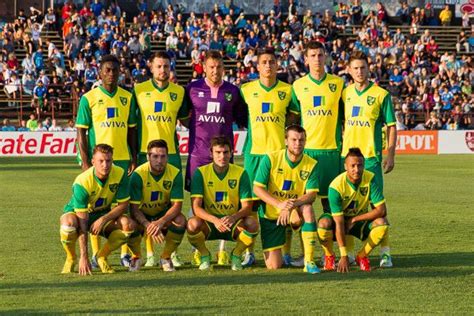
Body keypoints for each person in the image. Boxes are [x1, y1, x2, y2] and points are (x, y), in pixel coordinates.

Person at [183, 50, 247, 266]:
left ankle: (223, 250)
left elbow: (241, 118)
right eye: (211, 67)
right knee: (197, 203)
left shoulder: (233, 91)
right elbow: (184, 118)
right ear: (204, 67)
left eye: (219, 67)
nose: (215, 71)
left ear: (223, 68)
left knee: (227, 200)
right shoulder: (192, 89)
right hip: (198, 156)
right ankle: (198, 249)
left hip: (223, 156)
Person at [75, 54, 138, 267]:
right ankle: (94, 256)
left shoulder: (127, 97)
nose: (111, 74)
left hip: (121, 159)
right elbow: (81, 132)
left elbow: (132, 131)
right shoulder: (89, 98)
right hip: (97, 162)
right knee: (95, 208)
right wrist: (86, 162)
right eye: (107, 70)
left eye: (115, 70)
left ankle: (123, 254)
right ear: (100, 73)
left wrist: (133, 157)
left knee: (123, 209)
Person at [290, 41, 345, 269]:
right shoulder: (298, 86)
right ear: (306, 59)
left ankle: (337, 253)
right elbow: (293, 121)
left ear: (326, 57)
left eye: (320, 55)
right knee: (306, 208)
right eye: (312, 55)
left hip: (332, 152)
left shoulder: (338, 84)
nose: (317, 59)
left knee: (334, 207)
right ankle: (307, 253)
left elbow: (345, 118)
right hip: (308, 154)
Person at [340, 51, 395, 267]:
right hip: (347, 159)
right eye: (355, 68)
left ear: (368, 68)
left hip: (370, 158)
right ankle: (352, 253)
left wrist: (390, 153)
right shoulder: (345, 94)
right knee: (349, 207)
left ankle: (385, 253)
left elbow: (391, 126)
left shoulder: (381, 95)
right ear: (349, 70)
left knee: (378, 206)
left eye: (363, 67)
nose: (359, 72)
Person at [133, 51, 188, 267]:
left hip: (171, 155)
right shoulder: (139, 90)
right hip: (144, 155)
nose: (162, 70)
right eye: (158, 66)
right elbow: (132, 126)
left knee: (171, 205)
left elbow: (186, 121)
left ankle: (170, 252)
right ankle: (148, 253)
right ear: (151, 67)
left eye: (166, 66)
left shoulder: (179, 92)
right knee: (144, 204)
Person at [240, 48, 293, 267]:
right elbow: (241, 116)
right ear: (257, 66)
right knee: (250, 206)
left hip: (279, 156)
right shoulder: (246, 90)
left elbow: (293, 115)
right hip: (254, 155)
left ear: (277, 64)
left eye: (272, 61)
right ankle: (248, 252)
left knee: (284, 203)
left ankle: (286, 252)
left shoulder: (288, 91)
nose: (268, 65)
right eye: (264, 62)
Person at [59, 144, 141, 274]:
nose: (105, 165)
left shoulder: (119, 173)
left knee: (128, 224)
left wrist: (103, 219)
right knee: (68, 225)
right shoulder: (82, 181)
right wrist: (84, 257)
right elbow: (82, 221)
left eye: (108, 161)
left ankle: (101, 257)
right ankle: (71, 258)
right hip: (78, 215)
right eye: (101, 161)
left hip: (102, 214)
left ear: (112, 160)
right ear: (93, 162)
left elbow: (123, 205)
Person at [253, 125, 320, 274]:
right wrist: (279, 204)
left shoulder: (311, 164)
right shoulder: (270, 159)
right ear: (286, 141)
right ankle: (286, 253)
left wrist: (290, 205)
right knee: (274, 266)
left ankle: (309, 261)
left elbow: (311, 195)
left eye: (301, 140)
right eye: (294, 139)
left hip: (293, 209)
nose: (298, 143)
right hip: (271, 215)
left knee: (307, 209)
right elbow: (257, 188)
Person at [187, 136, 258, 271]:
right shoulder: (201, 173)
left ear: (231, 153)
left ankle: (236, 255)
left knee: (252, 223)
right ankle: (204, 255)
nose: (222, 156)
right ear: (211, 153)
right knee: (192, 224)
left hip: (232, 223)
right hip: (210, 223)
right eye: (218, 152)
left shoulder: (240, 173)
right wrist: (215, 220)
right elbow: (196, 207)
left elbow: (247, 207)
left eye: (225, 152)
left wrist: (233, 218)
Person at [319, 148, 390, 272]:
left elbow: (382, 211)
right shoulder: (336, 186)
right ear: (345, 166)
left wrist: (355, 219)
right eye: (352, 166)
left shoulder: (370, 179)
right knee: (323, 224)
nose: (356, 169)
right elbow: (340, 222)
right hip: (337, 222)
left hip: (358, 220)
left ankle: (362, 256)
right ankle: (329, 256)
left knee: (382, 223)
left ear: (364, 166)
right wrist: (343, 255)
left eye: (360, 165)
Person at [130, 140, 186, 271]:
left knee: (180, 220)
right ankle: (136, 257)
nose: (159, 160)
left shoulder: (175, 173)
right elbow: (134, 209)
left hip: (162, 214)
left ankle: (165, 257)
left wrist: (161, 222)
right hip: (142, 216)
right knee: (128, 223)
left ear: (167, 157)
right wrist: (148, 225)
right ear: (148, 157)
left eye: (163, 156)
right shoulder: (138, 174)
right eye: (155, 156)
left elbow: (177, 205)